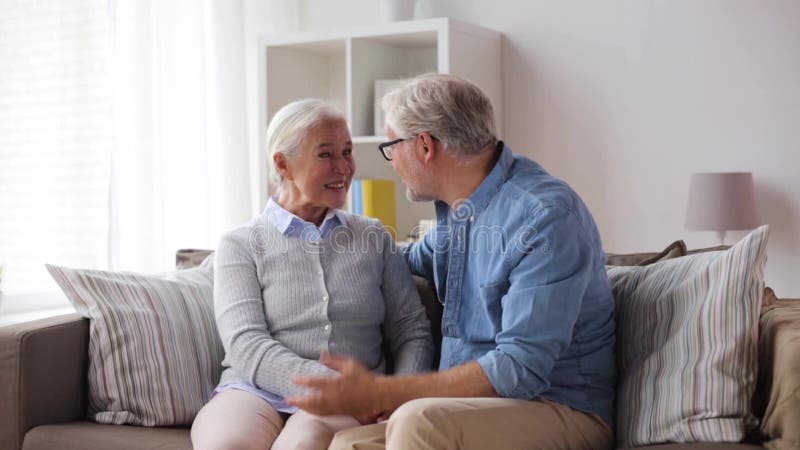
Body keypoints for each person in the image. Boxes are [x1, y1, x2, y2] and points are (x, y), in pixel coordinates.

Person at [287, 74, 617, 450]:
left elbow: (519, 368)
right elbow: (404, 258)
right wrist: (297, 249)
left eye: (391, 146)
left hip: (561, 409)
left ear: (424, 146)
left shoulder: (545, 216)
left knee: (418, 422)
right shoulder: (460, 211)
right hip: (466, 412)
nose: (391, 161)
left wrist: (383, 390)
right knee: (345, 444)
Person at [190, 99, 434, 450]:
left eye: (347, 152)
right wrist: (339, 389)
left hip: (347, 405)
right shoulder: (241, 243)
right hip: (252, 392)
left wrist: (394, 394)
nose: (344, 167)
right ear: (282, 164)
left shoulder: (374, 237)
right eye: (326, 155)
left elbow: (412, 332)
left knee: (301, 446)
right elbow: (246, 345)